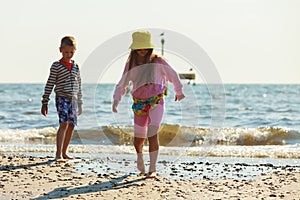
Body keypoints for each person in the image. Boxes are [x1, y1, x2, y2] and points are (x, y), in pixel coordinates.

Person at [112, 30, 185, 178]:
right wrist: (116, 99)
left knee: (152, 133)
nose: (142, 50)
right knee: (139, 138)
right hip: (139, 103)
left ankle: (152, 168)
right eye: (139, 48)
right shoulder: (131, 64)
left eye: (145, 47)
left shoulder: (158, 61)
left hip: (156, 101)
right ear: (134, 49)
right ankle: (139, 155)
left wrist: (179, 91)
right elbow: (123, 83)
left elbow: (173, 75)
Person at [41, 36, 83, 162]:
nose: (68, 55)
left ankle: (65, 152)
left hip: (73, 100)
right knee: (63, 123)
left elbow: (79, 85)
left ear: (74, 51)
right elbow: (50, 83)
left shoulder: (76, 66)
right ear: (60, 50)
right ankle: (58, 154)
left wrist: (80, 102)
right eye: (66, 52)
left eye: (71, 52)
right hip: (62, 98)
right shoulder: (56, 66)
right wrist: (45, 102)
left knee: (71, 125)